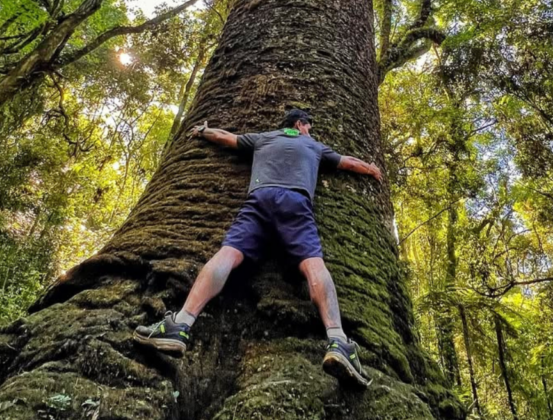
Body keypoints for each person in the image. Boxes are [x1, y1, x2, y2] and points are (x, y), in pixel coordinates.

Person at [133, 109, 383, 387]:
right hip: (296, 202)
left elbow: (226, 138)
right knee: (313, 264)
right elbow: (348, 163)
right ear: (300, 124)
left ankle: (181, 323)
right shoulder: (313, 145)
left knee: (227, 254)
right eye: (309, 126)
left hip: (260, 198)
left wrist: (203, 131)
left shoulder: (263, 138)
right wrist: (371, 169)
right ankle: (338, 341)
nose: (310, 131)